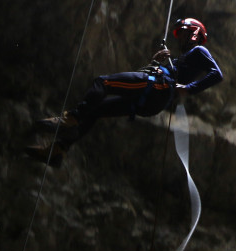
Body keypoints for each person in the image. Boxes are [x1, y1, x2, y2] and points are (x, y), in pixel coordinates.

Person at [25, 17, 223, 167]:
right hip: (154, 98)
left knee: (103, 82)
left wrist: (188, 89)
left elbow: (217, 74)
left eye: (184, 33)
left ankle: (72, 119)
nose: (181, 39)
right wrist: (156, 61)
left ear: (194, 33)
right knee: (96, 110)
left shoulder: (199, 51)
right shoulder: (184, 58)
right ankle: (58, 150)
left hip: (157, 87)